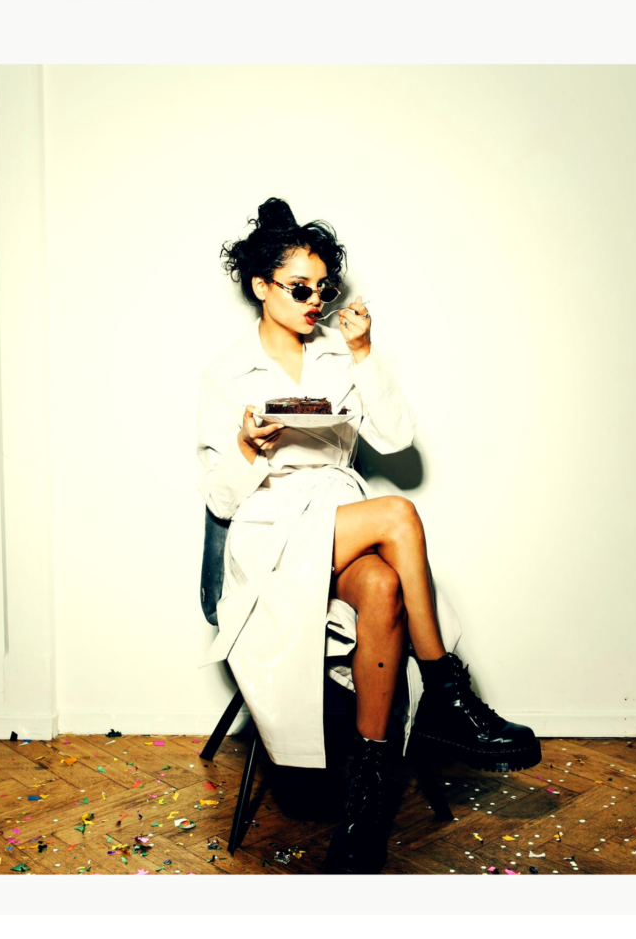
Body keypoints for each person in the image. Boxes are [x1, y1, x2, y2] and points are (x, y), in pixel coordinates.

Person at [197, 197, 541, 874]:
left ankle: (365, 801)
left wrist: (362, 352)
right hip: (270, 537)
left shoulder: (338, 353)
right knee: (398, 515)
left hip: (335, 519)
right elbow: (220, 500)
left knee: (382, 585)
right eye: (299, 288)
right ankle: (445, 688)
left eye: (322, 289)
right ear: (262, 287)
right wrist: (247, 447)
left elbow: (396, 440)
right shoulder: (225, 375)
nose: (314, 301)